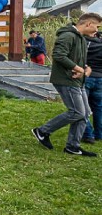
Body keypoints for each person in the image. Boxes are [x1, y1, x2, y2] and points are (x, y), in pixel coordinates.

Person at [32, 12, 101, 157]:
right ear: (88, 24)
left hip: (77, 80)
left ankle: (73, 147)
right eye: (96, 26)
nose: (97, 30)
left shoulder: (80, 38)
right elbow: (58, 55)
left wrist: (85, 68)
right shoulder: (68, 36)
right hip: (66, 80)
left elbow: (75, 58)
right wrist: (77, 68)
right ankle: (42, 131)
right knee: (76, 112)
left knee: (85, 113)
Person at [83, 31, 102, 143]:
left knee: (83, 107)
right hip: (100, 78)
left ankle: (88, 134)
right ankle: (99, 133)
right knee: (98, 108)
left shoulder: (84, 44)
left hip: (86, 76)